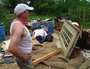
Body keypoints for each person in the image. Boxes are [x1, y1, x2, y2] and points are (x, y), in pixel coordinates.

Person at [8, 3, 34, 69]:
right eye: (28, 12)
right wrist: (23, 56)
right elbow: (11, 48)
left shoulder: (15, 22)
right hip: (24, 59)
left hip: (24, 57)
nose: (29, 14)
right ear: (23, 14)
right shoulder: (19, 27)